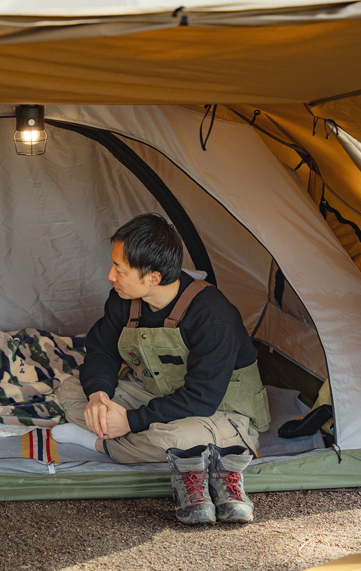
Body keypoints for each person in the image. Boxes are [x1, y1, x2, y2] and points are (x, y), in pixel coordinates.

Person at [54, 213, 270, 524]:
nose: (110, 276)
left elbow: (202, 397)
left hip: (222, 410)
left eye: (119, 269)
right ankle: (111, 426)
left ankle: (98, 442)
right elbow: (101, 349)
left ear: (153, 278)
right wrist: (98, 396)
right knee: (72, 390)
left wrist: (131, 420)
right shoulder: (123, 299)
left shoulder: (212, 315)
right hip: (158, 393)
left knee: (169, 440)